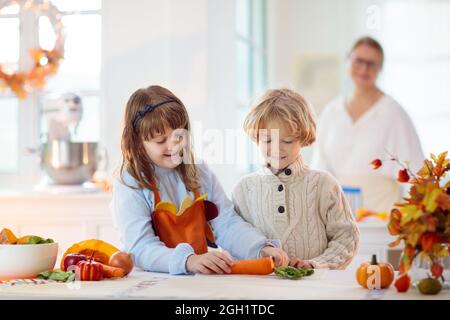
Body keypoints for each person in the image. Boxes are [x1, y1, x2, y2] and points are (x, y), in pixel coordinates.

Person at [112, 85, 289, 275]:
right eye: (161, 141)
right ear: (137, 143)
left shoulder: (198, 170)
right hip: (151, 282)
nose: (173, 146)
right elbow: (141, 247)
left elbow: (226, 223)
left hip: (195, 279)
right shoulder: (130, 181)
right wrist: (188, 260)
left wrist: (259, 249)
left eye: (179, 136)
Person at [232, 88, 359, 269]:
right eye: (268, 140)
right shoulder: (243, 189)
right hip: (261, 290)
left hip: (315, 288)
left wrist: (315, 265)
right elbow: (235, 242)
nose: (276, 149)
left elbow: (347, 237)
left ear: (302, 139)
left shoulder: (324, 184)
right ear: (256, 138)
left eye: (287, 141)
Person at [312, 36, 425, 212]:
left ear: (380, 68)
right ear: (347, 62)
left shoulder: (394, 113)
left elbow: (417, 172)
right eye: (359, 61)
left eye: (372, 63)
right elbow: (319, 167)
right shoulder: (331, 112)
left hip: (383, 216)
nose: (364, 68)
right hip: (338, 215)